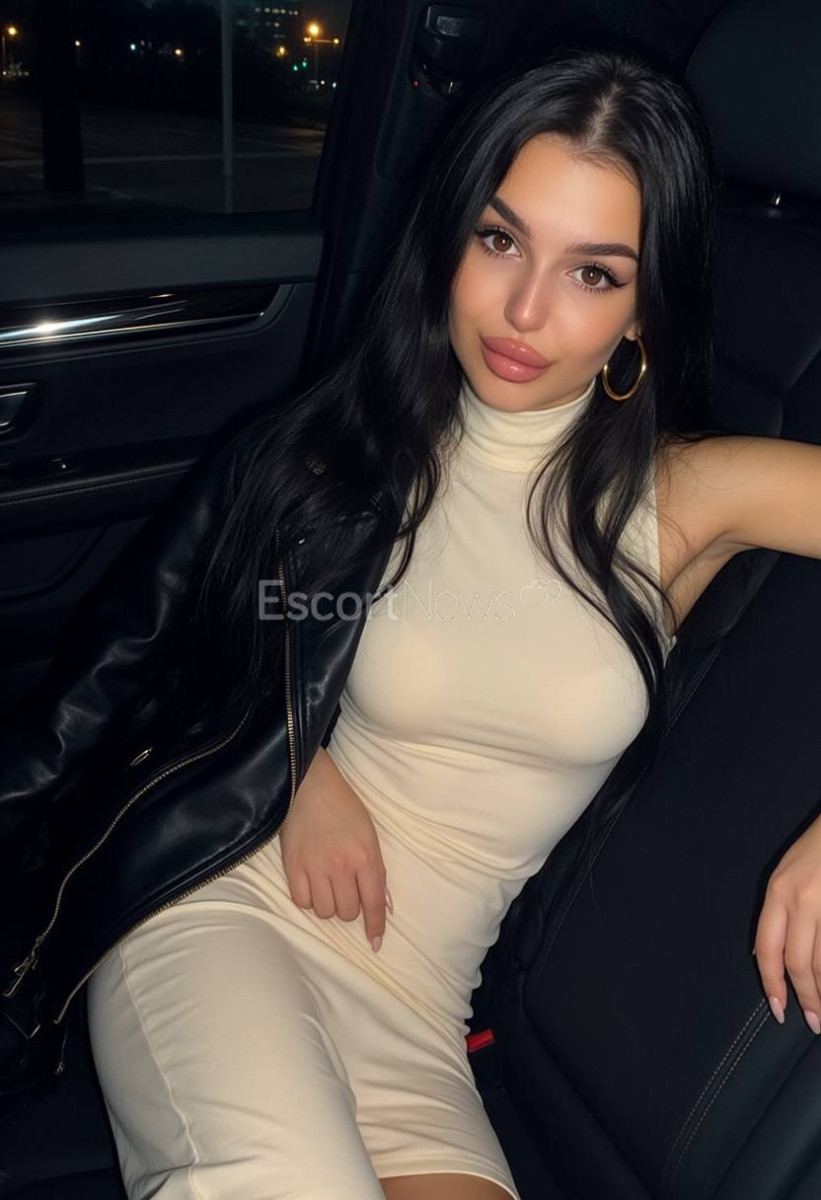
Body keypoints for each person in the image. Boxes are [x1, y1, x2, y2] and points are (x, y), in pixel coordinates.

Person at [7, 38, 821, 1200]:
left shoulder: (688, 497)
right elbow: (188, 641)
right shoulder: (337, 448)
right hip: (227, 902)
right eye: (499, 241)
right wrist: (300, 762)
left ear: (644, 309)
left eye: (593, 274)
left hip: (419, 1018)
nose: (524, 310)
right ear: (450, 237)